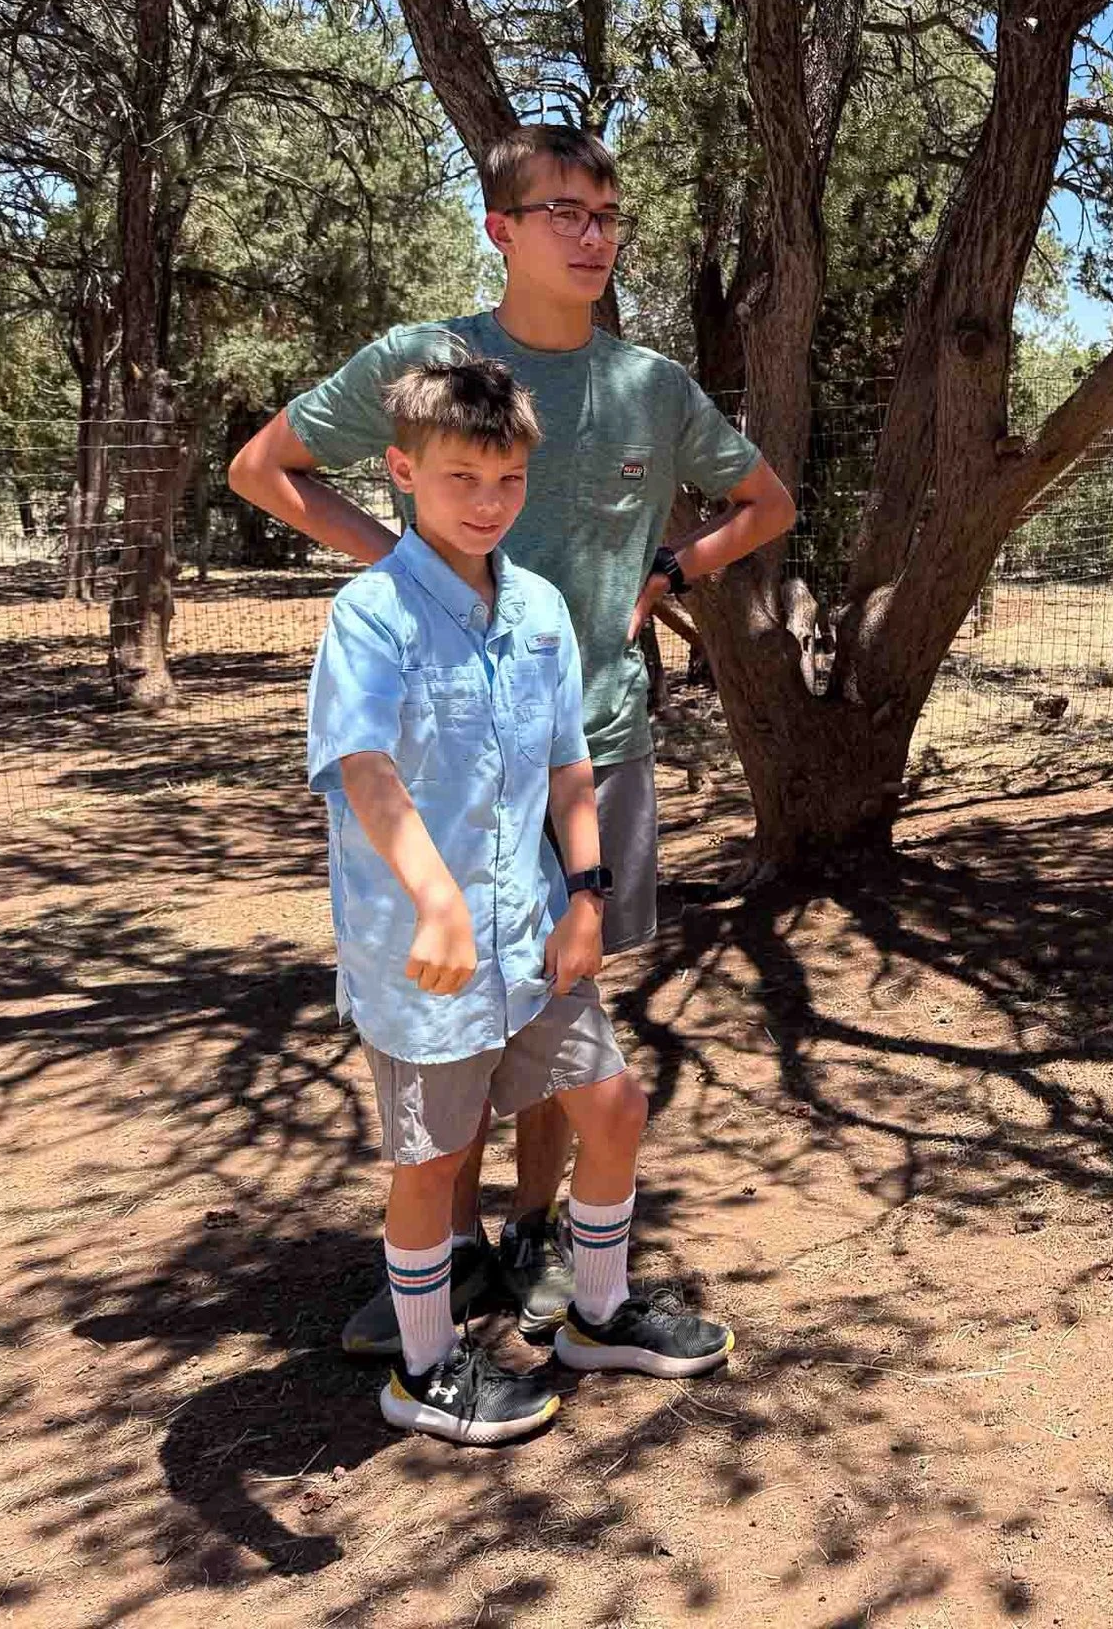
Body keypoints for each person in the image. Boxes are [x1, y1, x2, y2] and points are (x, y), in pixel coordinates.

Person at [232, 123, 795, 1353]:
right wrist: (406, 565)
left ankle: (540, 1238)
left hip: (589, 743)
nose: (593, 237)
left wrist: (672, 568)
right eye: (565, 214)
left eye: (607, 217)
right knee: (454, 1026)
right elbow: (265, 469)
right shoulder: (425, 364)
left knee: (563, 997)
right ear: (500, 228)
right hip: (442, 772)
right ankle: (450, 1260)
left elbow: (767, 502)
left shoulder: (650, 387)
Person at [310, 351, 735, 1444]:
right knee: (433, 1161)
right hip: (426, 951)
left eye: (505, 483)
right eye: (460, 481)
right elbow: (366, 770)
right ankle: (424, 1373)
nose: (487, 505)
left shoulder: (539, 608)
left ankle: (596, 1316)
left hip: (533, 930)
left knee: (614, 1108)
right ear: (403, 471)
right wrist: (438, 900)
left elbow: (567, 767)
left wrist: (587, 895)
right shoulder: (372, 614)